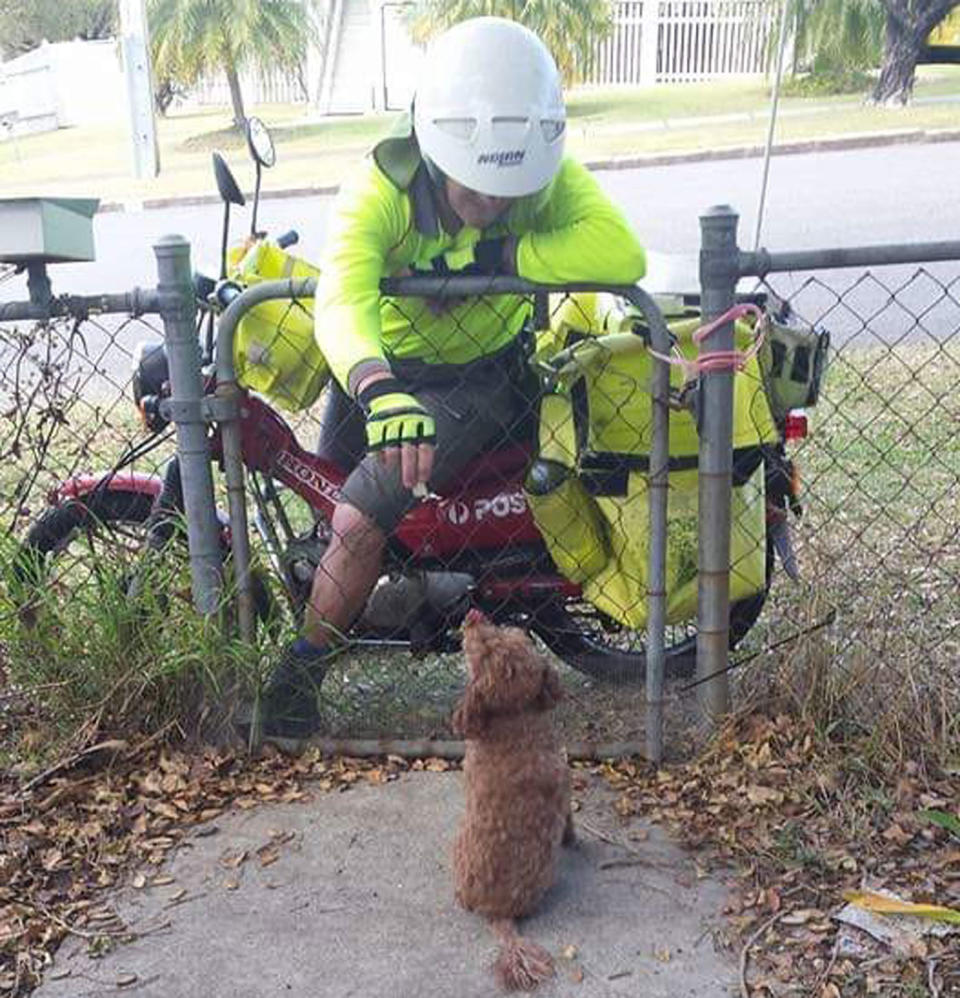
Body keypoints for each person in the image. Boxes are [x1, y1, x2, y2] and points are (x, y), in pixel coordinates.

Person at [258, 16, 646, 736]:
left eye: (512, 186)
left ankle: (296, 681)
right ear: (436, 150)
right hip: (381, 373)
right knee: (331, 499)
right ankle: (377, 596)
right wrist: (377, 385)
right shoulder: (376, 193)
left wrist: (498, 260)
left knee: (356, 516)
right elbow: (341, 300)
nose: (498, 202)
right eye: (480, 186)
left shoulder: (540, 179)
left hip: (482, 378)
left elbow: (622, 251)